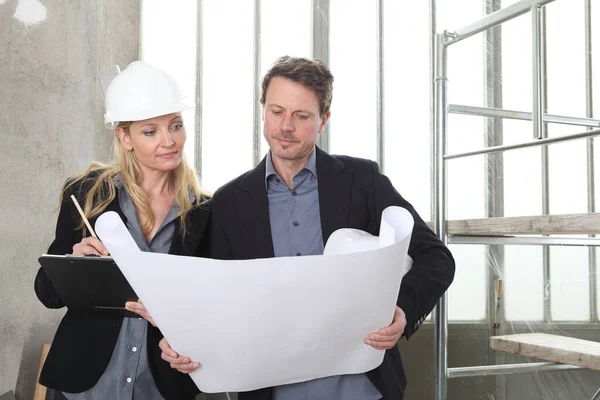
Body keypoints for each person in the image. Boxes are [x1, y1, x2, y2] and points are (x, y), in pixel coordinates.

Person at [162, 56, 456, 400]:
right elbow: (209, 295)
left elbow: (435, 257)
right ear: (262, 111)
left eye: (301, 116)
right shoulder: (228, 202)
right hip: (268, 389)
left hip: (363, 387)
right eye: (276, 111)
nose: (285, 126)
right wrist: (181, 340)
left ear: (323, 120)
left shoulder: (363, 182)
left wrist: (401, 309)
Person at [34, 61, 208, 400]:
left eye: (175, 125)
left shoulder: (205, 212)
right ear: (124, 136)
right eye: (150, 131)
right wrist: (72, 262)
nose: (169, 140)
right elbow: (47, 293)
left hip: (159, 387)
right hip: (84, 386)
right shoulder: (87, 194)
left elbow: (213, 309)